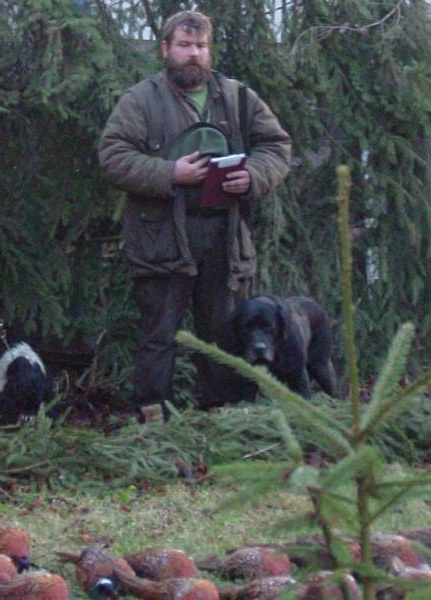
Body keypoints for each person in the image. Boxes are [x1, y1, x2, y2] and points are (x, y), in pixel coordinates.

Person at [98, 11, 291, 420]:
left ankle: (226, 421)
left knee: (224, 335)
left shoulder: (238, 97)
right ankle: (153, 426)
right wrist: (170, 172)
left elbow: (277, 146)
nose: (193, 55)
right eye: (185, 46)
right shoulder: (141, 100)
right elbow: (113, 157)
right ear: (166, 49)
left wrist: (252, 175)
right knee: (158, 337)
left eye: (201, 46)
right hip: (162, 238)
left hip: (224, 237)